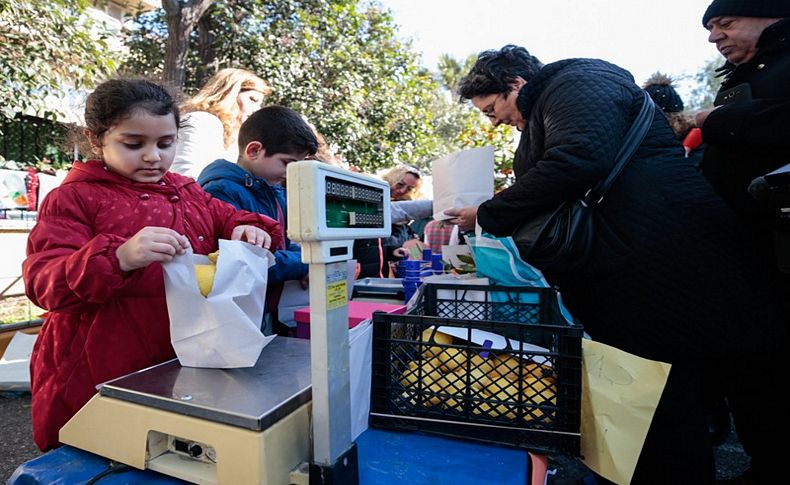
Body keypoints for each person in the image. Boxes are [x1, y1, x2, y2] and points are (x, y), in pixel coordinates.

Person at [445, 45, 786, 484]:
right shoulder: (555, 98)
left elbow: (578, 158)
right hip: (637, 267)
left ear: (516, 84)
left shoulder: (579, 81)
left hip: (661, 266)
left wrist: (489, 213)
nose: (493, 120)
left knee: (666, 399)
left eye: (493, 108)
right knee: (659, 399)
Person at [22, 79, 283, 452]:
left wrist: (249, 228)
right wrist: (118, 257)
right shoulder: (73, 198)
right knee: (99, 455)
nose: (152, 157)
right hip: (98, 367)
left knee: (166, 455)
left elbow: (229, 218)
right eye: (133, 144)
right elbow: (44, 283)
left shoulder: (188, 191)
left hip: (180, 358)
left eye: (166, 143)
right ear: (96, 140)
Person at [697, 0, 790, 324]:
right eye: (710, 28)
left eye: (726, 23)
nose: (714, 37)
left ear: (770, 16)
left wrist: (717, 120)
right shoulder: (743, 74)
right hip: (746, 252)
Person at [198, 106, 318, 335]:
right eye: (287, 163)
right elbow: (249, 261)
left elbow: (283, 242)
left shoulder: (275, 192)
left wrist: (305, 257)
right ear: (254, 150)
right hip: (236, 316)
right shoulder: (221, 191)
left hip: (268, 309)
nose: (291, 173)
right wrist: (306, 261)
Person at [171, 68, 271, 179]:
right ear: (229, 93)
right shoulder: (203, 121)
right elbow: (186, 176)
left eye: (259, 104)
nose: (256, 110)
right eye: (252, 100)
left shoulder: (235, 136)